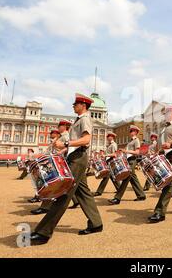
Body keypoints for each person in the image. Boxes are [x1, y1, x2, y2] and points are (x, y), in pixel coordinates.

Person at [29, 93, 103, 245]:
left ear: (83, 105)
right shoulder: (79, 120)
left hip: (78, 157)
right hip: (75, 157)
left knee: (64, 193)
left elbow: (86, 140)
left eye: (76, 104)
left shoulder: (85, 119)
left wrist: (66, 144)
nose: (73, 106)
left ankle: (44, 232)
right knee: (83, 193)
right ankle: (96, 223)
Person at [108, 125, 146, 205]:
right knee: (132, 178)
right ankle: (141, 195)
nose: (131, 132)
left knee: (126, 177)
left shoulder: (136, 140)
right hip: (128, 160)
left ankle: (117, 198)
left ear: (136, 132)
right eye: (130, 131)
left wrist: (126, 151)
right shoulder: (130, 141)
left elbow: (137, 152)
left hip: (132, 160)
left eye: (132, 131)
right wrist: (121, 151)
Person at [93, 132, 121, 196]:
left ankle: (99, 191)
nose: (107, 138)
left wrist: (105, 155)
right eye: (107, 136)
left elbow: (114, 154)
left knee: (106, 176)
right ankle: (119, 189)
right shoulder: (109, 145)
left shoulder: (113, 144)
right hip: (108, 161)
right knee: (112, 177)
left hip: (111, 161)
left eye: (108, 136)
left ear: (112, 137)